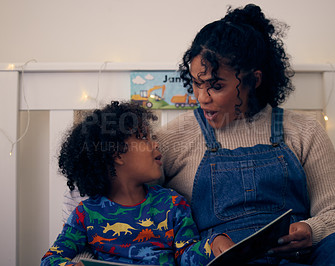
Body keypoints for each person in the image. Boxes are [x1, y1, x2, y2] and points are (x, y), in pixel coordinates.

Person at [154, 3, 335, 265]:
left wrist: (311, 231)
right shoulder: (173, 137)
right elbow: (137, 207)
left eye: (216, 86)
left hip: (302, 257)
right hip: (224, 261)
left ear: (254, 80)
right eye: (197, 83)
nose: (202, 98)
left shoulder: (304, 131)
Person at [41, 101, 230, 266]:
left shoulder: (172, 204)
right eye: (143, 137)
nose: (155, 144)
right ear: (117, 154)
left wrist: (212, 246)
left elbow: (186, 256)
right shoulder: (86, 214)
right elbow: (51, 259)